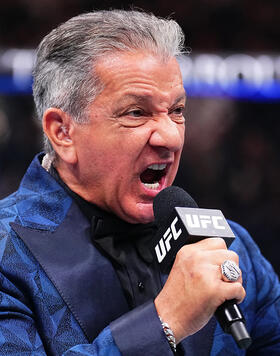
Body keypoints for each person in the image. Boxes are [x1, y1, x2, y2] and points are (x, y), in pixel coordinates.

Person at [0, 9, 279, 355]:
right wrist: (165, 321)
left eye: (177, 111)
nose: (170, 137)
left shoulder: (232, 251)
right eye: (137, 112)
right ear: (63, 132)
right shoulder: (6, 254)